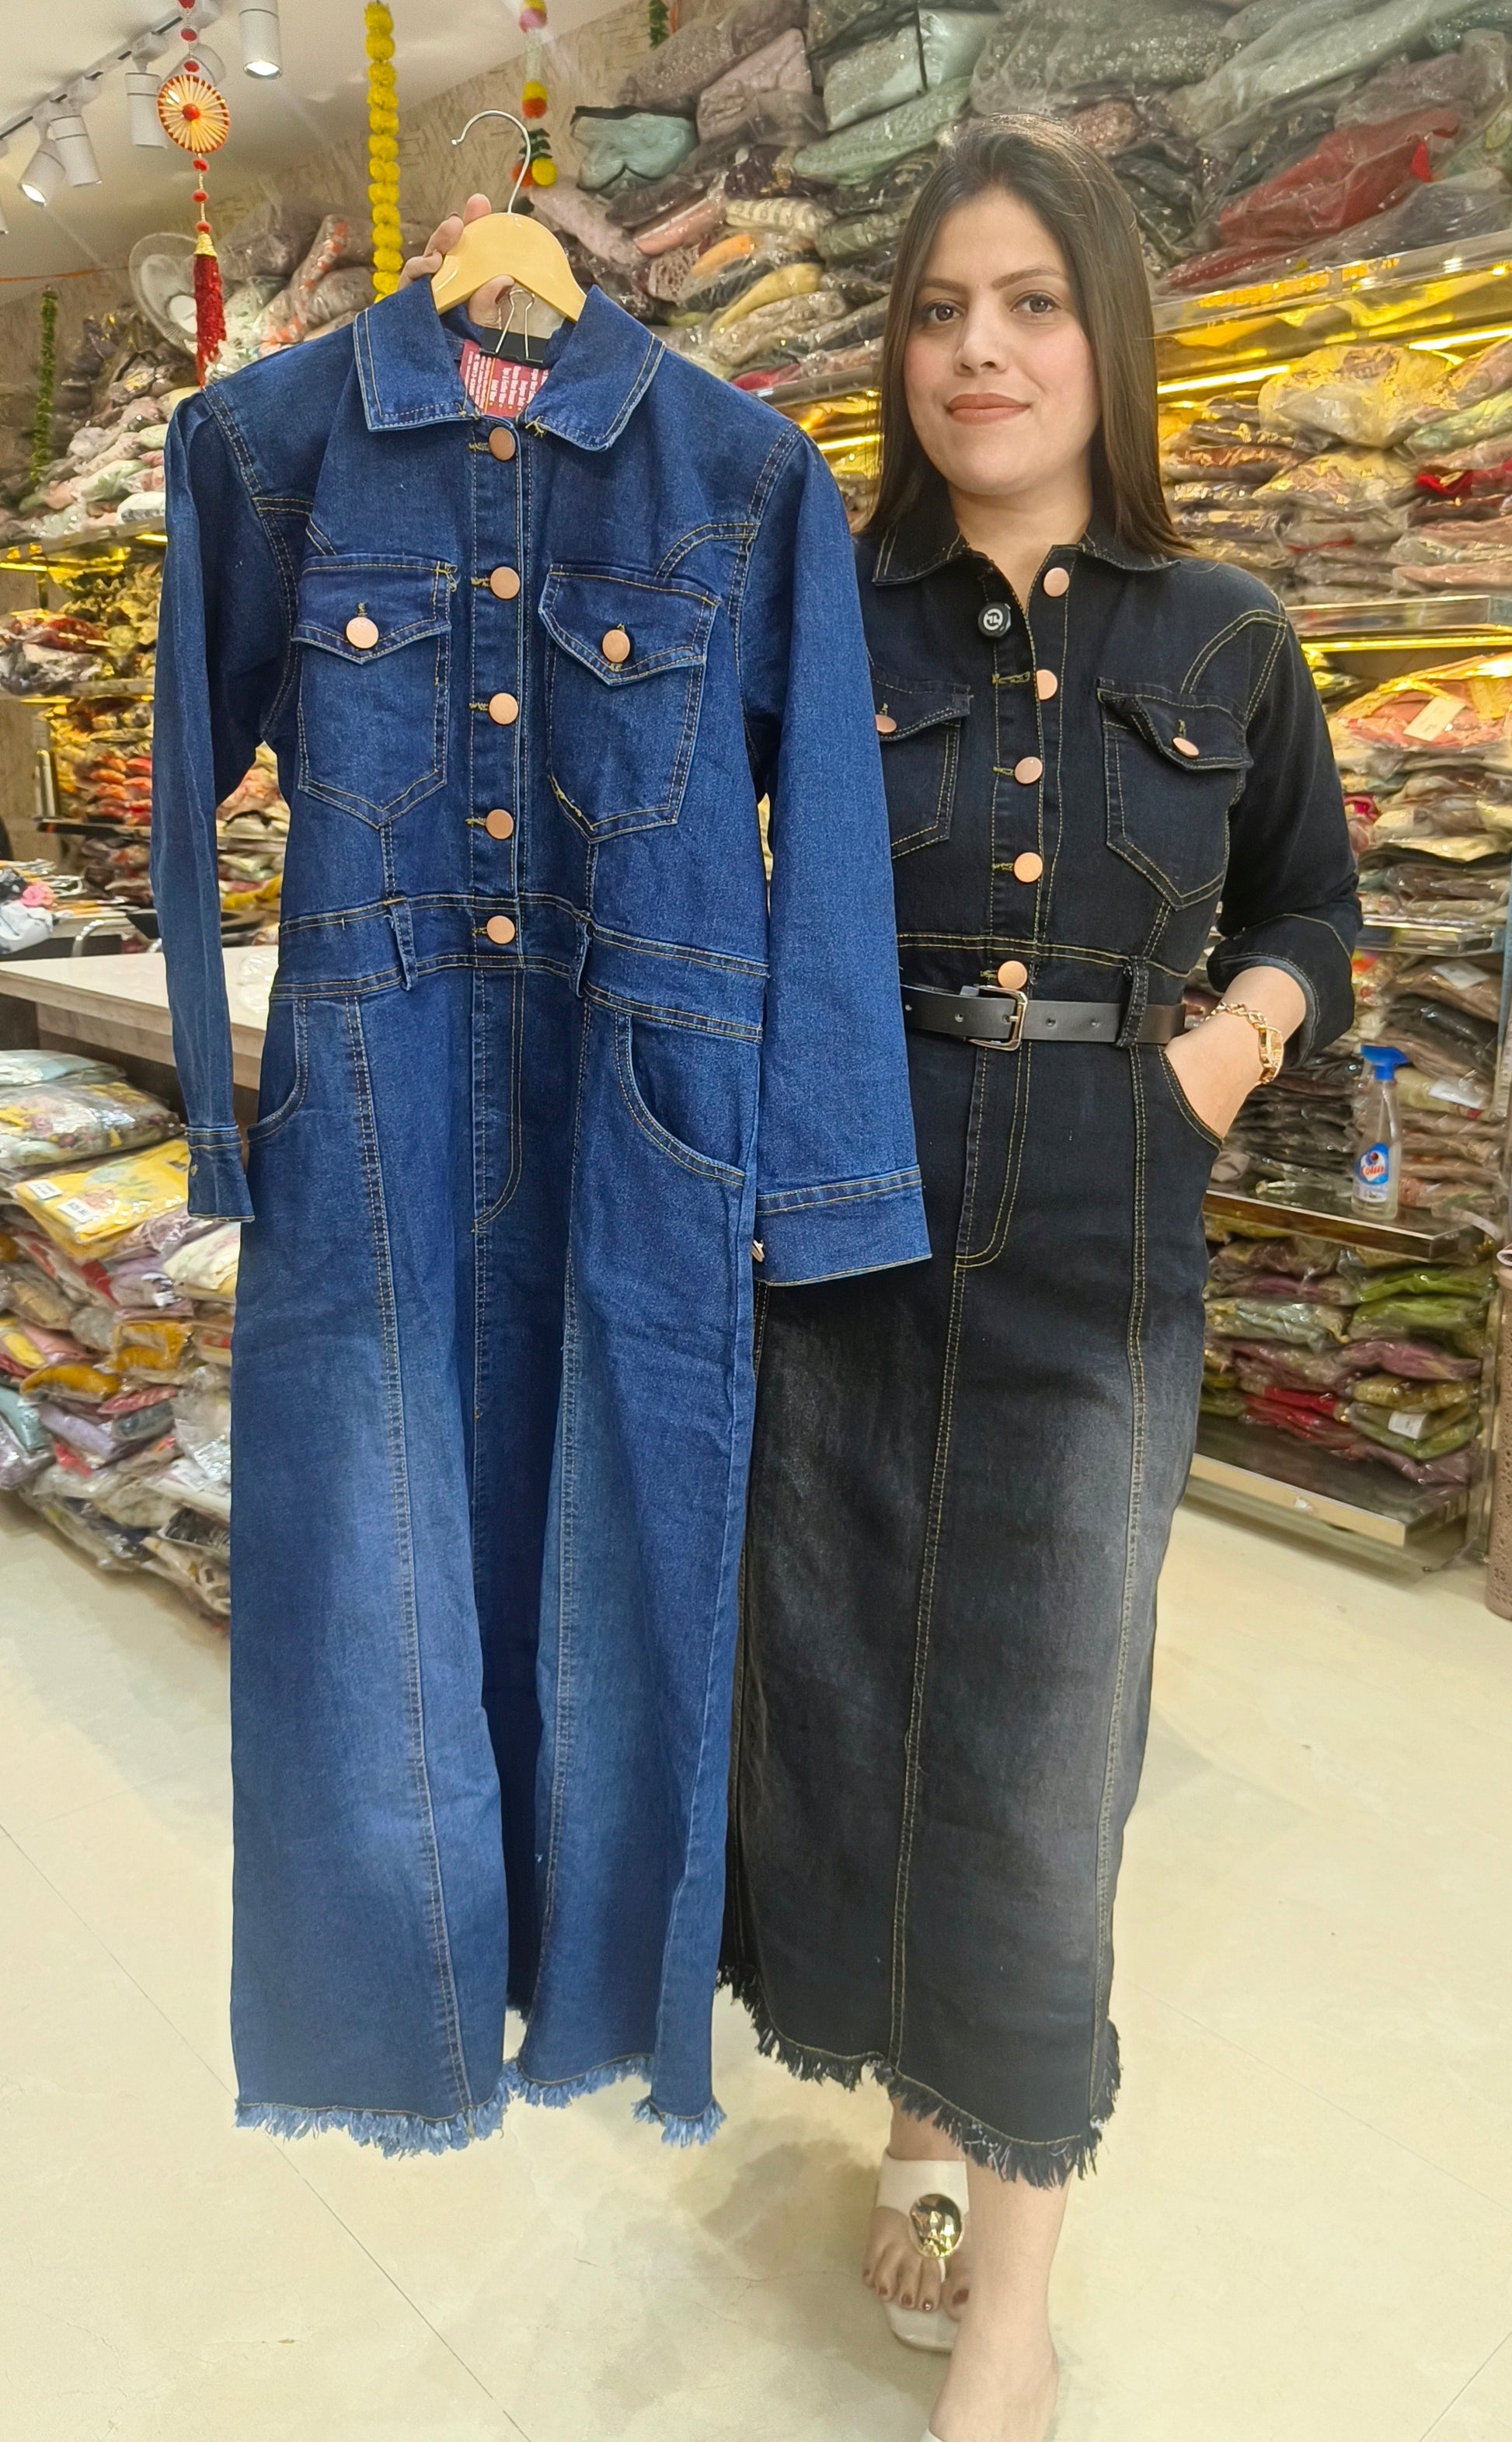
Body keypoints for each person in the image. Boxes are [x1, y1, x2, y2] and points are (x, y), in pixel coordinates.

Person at [405, 120, 1357, 2442]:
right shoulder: (811, 597)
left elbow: (1312, 906)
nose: (978, 351)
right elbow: (626, 771)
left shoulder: (1226, 630)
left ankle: (1011, 2286)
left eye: (1029, 304)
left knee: (1043, 1751)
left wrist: (1229, 1049)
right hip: (834, 1216)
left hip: (1101, 1235)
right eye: (938, 311)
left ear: (1104, 337)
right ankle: (918, 2117)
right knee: (840, 1706)